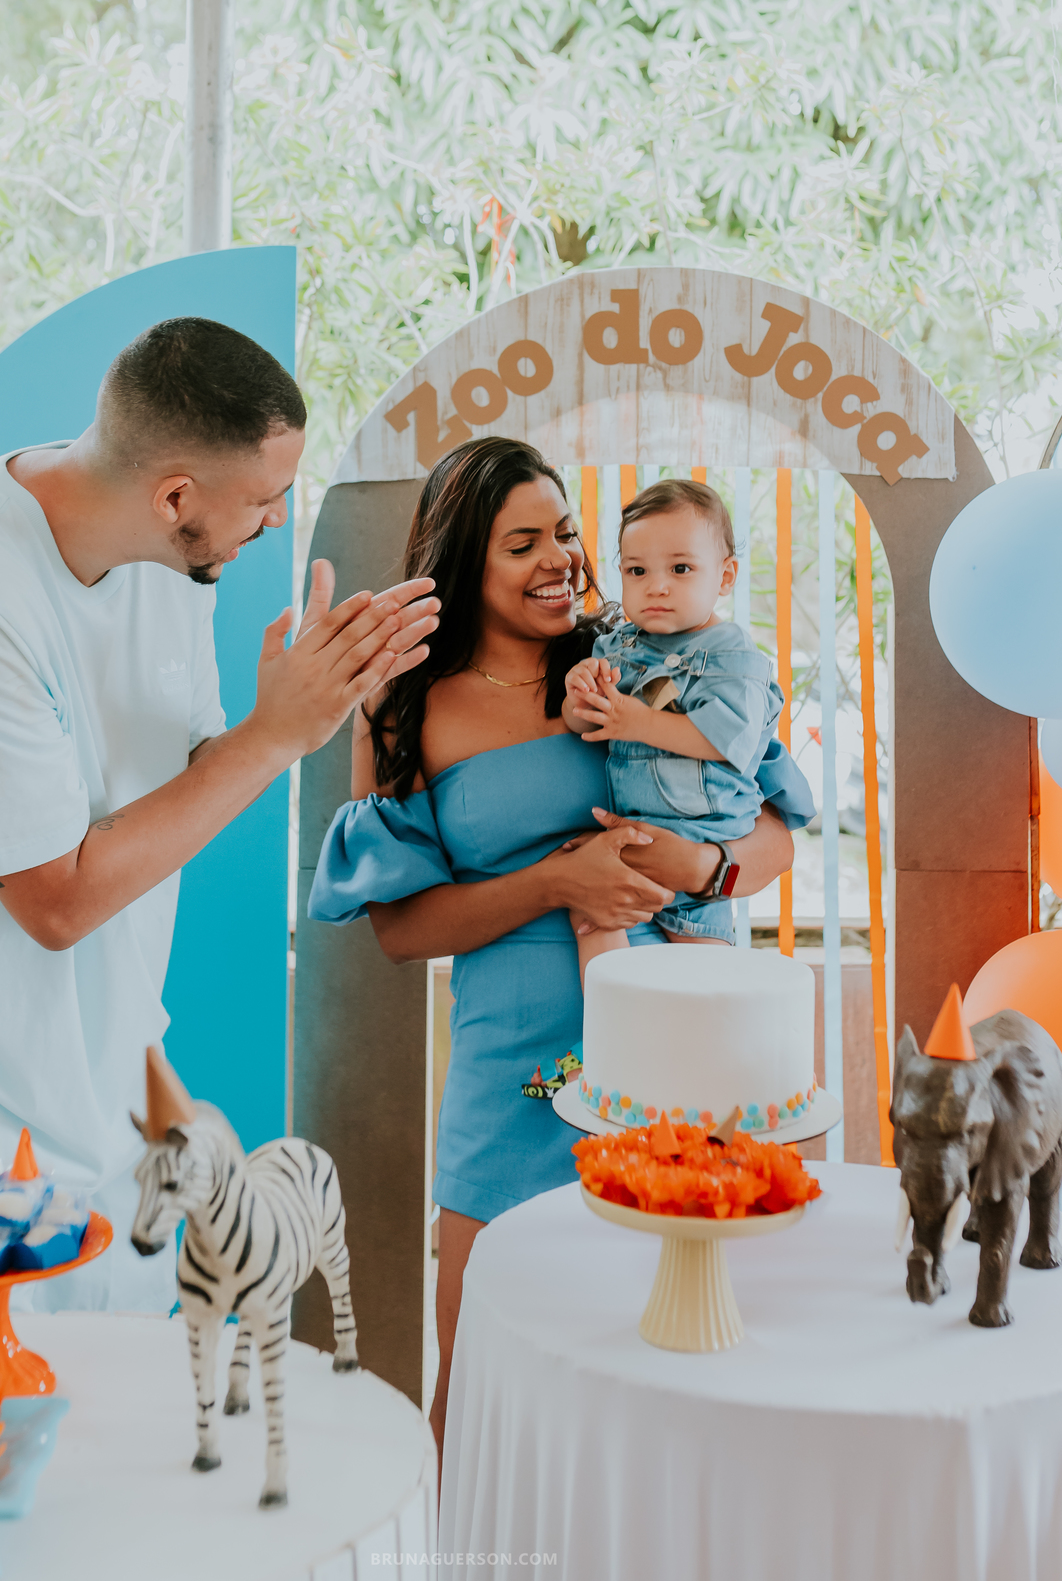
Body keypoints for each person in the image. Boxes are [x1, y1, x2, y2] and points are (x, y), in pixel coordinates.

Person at [0, 317, 437, 1312]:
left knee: (119, 1402)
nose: (276, 520)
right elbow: (55, 901)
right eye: (263, 499)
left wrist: (298, 710)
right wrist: (274, 739)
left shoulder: (177, 563)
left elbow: (185, 782)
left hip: (111, 1108)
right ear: (175, 495)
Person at [306, 437, 813, 1455]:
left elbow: (774, 835)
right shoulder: (405, 706)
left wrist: (699, 867)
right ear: (465, 562)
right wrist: (556, 884)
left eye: (568, 532)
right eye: (523, 543)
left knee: (677, 1381)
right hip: (509, 1078)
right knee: (478, 1394)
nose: (561, 560)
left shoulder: (649, 657)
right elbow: (402, 931)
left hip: (675, 1063)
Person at [563, 478, 797, 979]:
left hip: (701, 839)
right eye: (637, 570)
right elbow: (584, 724)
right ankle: (613, 1016)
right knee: (592, 910)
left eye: (681, 569)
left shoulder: (733, 657)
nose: (657, 586)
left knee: (702, 980)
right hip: (632, 839)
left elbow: (723, 741)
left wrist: (639, 721)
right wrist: (578, 695)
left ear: (725, 576)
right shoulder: (617, 647)